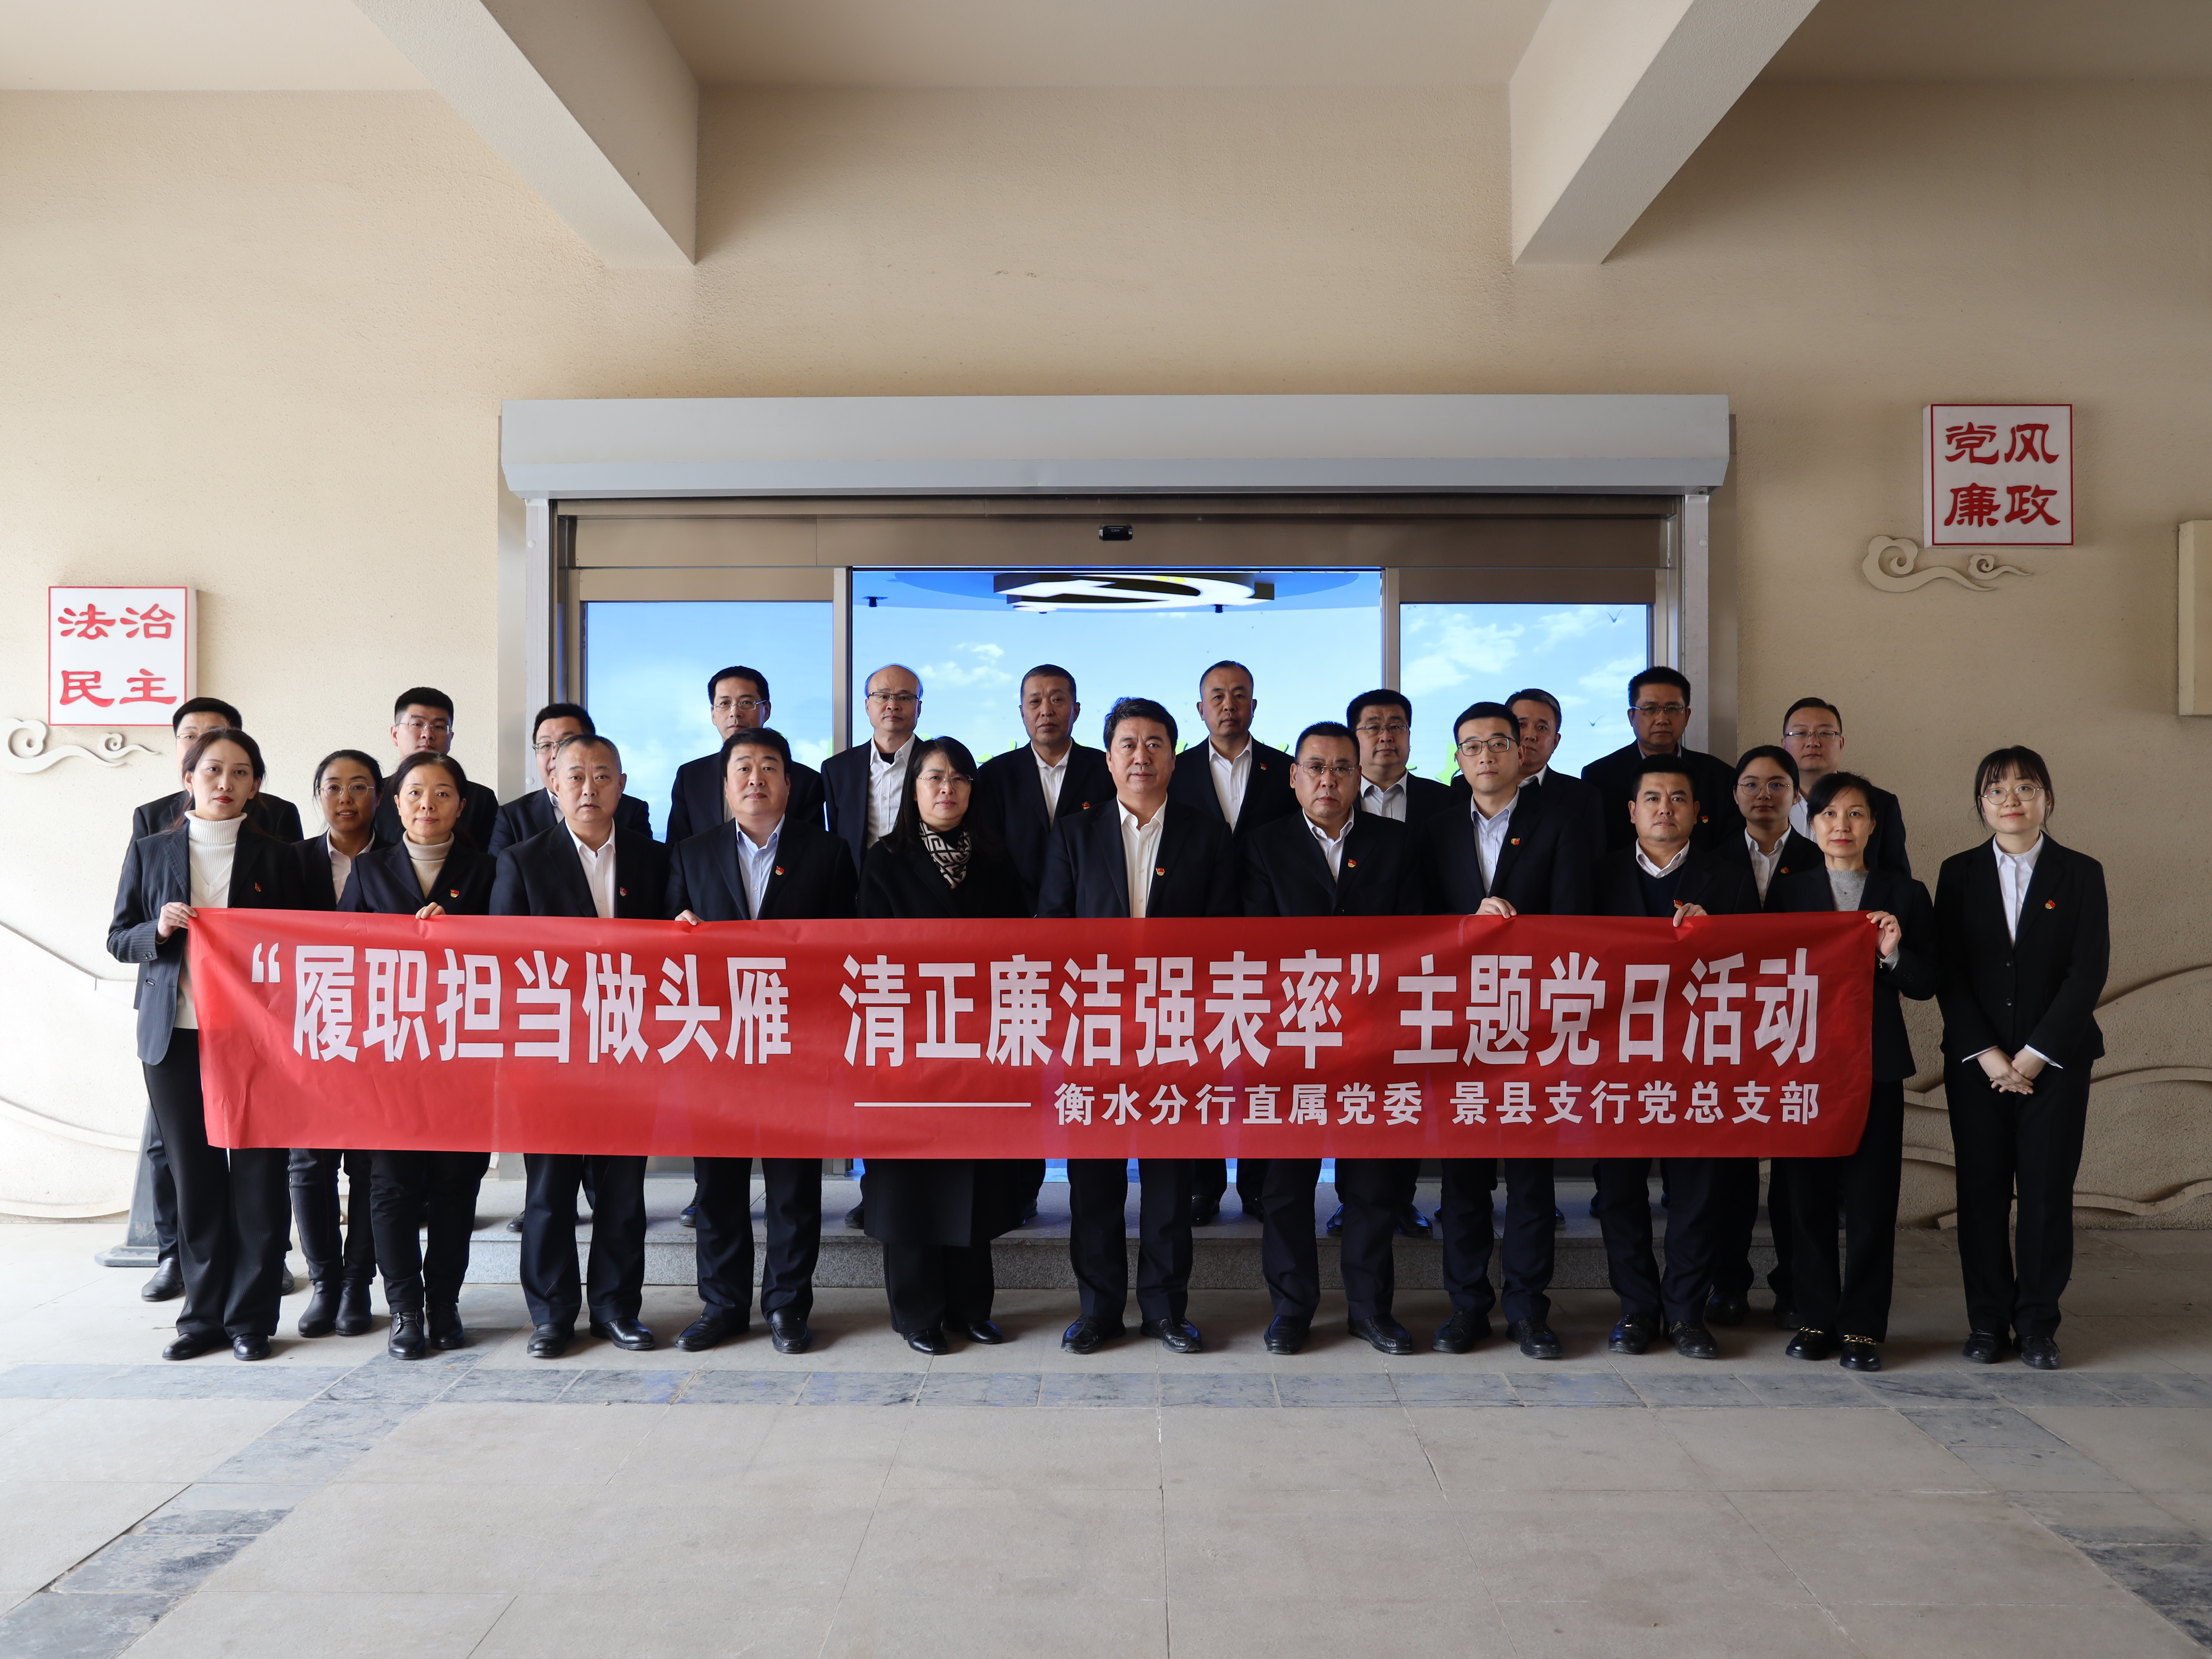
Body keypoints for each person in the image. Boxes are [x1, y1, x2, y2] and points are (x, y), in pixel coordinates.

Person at [1039, 696, 1237, 1354]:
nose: (1141, 755)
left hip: (1175, 1031)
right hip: (1093, 1032)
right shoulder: (1074, 833)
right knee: (1093, 1184)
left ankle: (1164, 1310)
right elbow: (1050, 930)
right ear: (1107, 759)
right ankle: (1098, 1310)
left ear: (1174, 759)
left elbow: (1224, 938)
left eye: (1155, 743)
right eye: (1128, 743)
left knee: (1169, 1182)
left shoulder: (1206, 836)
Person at [107, 728, 305, 1360]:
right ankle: (201, 1319)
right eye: (213, 770)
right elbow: (118, 937)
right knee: (195, 1181)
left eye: (241, 772)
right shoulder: (152, 851)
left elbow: (309, 946)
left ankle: (251, 1321)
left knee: (257, 1179)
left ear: (256, 785)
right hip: (175, 1037)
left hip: (258, 1043)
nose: (226, 783)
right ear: (188, 778)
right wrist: (158, 930)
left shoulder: (280, 858)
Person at [665, 726, 855, 1354]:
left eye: (769, 767)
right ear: (725, 787)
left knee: (793, 1187)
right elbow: (661, 946)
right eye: (742, 767)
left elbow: (847, 949)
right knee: (718, 1187)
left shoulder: (827, 853)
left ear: (788, 784)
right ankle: (722, 1306)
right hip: (715, 1045)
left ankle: (787, 1306)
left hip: (796, 1045)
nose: (755, 778)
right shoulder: (690, 853)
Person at [1412, 701, 1593, 1357]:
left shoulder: (1562, 822)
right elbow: (1415, 923)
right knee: (1461, 1182)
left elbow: (1576, 919)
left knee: (1530, 1179)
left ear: (1522, 752)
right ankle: (1466, 1308)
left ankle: (1526, 1310)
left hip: (1532, 1024)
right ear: (1457, 759)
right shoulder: (1433, 829)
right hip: (1458, 1026)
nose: (1484, 755)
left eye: (1497, 743)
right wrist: (1466, 926)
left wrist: (1519, 933)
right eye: (1471, 746)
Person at [491, 734, 669, 1359]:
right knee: (550, 1192)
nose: (588, 788)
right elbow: (504, 959)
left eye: (601, 776)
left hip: (628, 1048)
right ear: (553, 786)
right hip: (551, 1053)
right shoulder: (521, 861)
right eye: (575, 776)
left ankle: (617, 1310)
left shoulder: (655, 860)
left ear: (622, 785)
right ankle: (552, 1316)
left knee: (622, 1192)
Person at [1242, 721, 1415, 1356]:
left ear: (1358, 777)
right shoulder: (1262, 845)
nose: (1328, 779)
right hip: (1291, 1041)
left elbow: (1414, 940)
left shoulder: (1396, 844)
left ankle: (1370, 1311)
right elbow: (1255, 945)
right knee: (1286, 1185)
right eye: (1315, 767)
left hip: (1373, 1039)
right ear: (1293, 777)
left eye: (1342, 767)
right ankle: (1292, 1310)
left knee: (1371, 1185)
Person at [856, 737, 1034, 1352]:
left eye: (959, 778)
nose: (946, 789)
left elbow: (1018, 951)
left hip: (977, 1048)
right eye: (934, 777)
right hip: (908, 1046)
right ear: (913, 790)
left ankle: (971, 1308)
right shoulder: (885, 860)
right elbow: (870, 955)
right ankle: (917, 1314)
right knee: (912, 1184)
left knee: (972, 1180)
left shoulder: (996, 860)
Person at [1935, 746, 2108, 1371]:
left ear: (2047, 800)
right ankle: (1986, 1322)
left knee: (2044, 1193)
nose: (2010, 800)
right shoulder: (1957, 873)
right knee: (1980, 1194)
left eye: (2025, 788)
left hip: (2055, 1065)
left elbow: (2087, 972)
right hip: (1977, 1065)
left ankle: (2037, 1324)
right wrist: (1988, 1055)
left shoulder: (2080, 872)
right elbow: (1949, 972)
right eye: (1996, 790)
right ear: (1980, 805)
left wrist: (2033, 1057)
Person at [1589, 758, 1759, 1361]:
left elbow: (1758, 967)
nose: (1665, 808)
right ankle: (1637, 1310)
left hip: (1697, 1062)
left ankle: (1686, 1313)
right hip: (1615, 1063)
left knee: (1696, 1194)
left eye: (1678, 798)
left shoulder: (1730, 879)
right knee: (1618, 1194)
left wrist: (1721, 937)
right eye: (1653, 798)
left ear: (1697, 812)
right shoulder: (1597, 876)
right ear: (1631, 811)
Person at [1768, 771, 1936, 1372]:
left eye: (1855, 814)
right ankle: (1815, 1318)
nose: (1841, 825)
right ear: (1811, 825)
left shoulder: (1904, 893)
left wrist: (1892, 954)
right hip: (1802, 1064)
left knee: (1871, 1201)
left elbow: (1927, 982)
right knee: (1805, 1199)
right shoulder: (1788, 892)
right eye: (1829, 815)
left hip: (1874, 1065)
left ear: (1873, 825)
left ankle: (1863, 1328)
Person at [339, 751, 499, 1359]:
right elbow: (342, 954)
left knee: (458, 1185)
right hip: (390, 1054)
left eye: (441, 794)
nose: (427, 804)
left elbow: (515, 952)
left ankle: (446, 1304)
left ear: (461, 805)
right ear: (395, 804)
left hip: (465, 1054)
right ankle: (405, 1309)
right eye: (414, 793)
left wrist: (462, 932)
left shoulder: (490, 870)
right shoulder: (369, 869)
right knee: (390, 1187)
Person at [1171, 660, 1294, 1221]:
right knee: (1199, 1063)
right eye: (1217, 696)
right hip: (1195, 940)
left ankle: (1258, 1184)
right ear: (1200, 709)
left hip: (1271, 942)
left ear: (1253, 705)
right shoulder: (1173, 770)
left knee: (1263, 1063)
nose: (1228, 704)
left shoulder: (1286, 770)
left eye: (1239, 694)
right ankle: (1202, 1183)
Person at [1704, 744, 1822, 1330]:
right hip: (1726, 1031)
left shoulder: (1821, 857)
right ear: (1734, 795)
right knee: (1729, 1170)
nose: (1763, 795)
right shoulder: (1709, 858)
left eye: (1777, 785)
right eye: (1750, 784)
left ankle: (1794, 1286)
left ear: (1796, 795)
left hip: (1798, 1030)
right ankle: (1728, 1283)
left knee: (1795, 1173)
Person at [286, 749, 385, 1341]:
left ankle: (357, 1285)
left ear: (380, 795)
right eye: (333, 787)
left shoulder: (398, 860)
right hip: (306, 1031)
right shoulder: (289, 861)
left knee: (371, 1163)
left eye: (359, 786)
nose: (345, 798)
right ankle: (323, 1282)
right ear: (317, 794)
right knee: (309, 1160)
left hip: (380, 1032)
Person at [973, 663, 1112, 905]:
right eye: (1035, 702)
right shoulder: (994, 776)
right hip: (1017, 912)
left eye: (1057, 700)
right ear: (1022, 712)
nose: (1046, 711)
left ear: (1076, 710)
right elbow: (989, 855)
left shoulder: (1108, 770)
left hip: (1091, 911)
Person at [1580, 668, 1738, 853]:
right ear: (1632, 717)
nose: (1662, 719)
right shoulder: (1600, 776)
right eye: (1650, 709)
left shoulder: (1720, 776)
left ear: (1687, 716)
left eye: (1672, 709)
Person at [667, 666, 826, 843]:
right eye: (725, 704)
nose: (735, 713)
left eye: (747, 703)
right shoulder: (690, 776)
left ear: (766, 710)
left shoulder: (806, 781)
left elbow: (815, 850)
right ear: (713, 714)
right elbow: (676, 848)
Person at [129, 698, 304, 844]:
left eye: (214, 734)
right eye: (190, 736)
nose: (201, 745)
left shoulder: (278, 813)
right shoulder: (150, 816)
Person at [488, 702, 652, 853]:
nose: (555, 754)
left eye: (567, 743)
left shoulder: (631, 810)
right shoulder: (513, 816)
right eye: (546, 745)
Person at [1781, 698, 1909, 873]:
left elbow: (1897, 879)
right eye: (1800, 733)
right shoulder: (1765, 803)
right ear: (1784, 745)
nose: (1813, 742)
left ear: (1841, 744)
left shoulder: (1881, 803)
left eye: (1825, 733)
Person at [823, 663, 922, 870]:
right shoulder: (837, 770)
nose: (893, 705)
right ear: (868, 706)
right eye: (883, 696)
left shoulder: (939, 764)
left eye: (904, 698)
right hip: (857, 886)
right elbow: (836, 839)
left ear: (918, 708)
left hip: (921, 884)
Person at [373, 687, 499, 847]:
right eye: (417, 724)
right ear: (395, 734)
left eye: (439, 727)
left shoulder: (481, 799)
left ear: (450, 738)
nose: (428, 734)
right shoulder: (373, 795)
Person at [1506, 687, 1608, 854]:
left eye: (1542, 728)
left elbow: (1593, 861)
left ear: (1555, 742)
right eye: (1521, 725)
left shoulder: (1583, 797)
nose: (1530, 735)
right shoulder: (1468, 788)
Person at [1346, 688, 1454, 826]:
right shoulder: (1334, 797)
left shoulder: (1447, 800)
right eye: (1373, 727)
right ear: (1352, 739)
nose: (1386, 737)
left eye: (1396, 727)